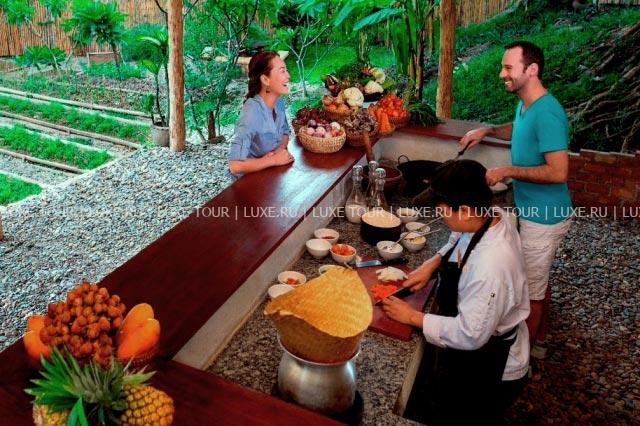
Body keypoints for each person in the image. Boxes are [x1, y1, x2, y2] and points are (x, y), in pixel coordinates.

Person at [383, 160, 530, 425]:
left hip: (489, 366)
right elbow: (459, 238)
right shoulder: (490, 215)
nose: (441, 217)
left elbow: (470, 334)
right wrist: (433, 262)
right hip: (475, 346)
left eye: (442, 211)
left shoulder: (491, 267)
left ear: (464, 210)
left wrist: (412, 317)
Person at [458, 41, 572, 355]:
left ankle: (523, 361)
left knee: (530, 294)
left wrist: (507, 170)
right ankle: (540, 338)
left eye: (508, 67)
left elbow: (558, 172)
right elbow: (519, 130)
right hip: (531, 209)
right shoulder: (527, 104)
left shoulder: (547, 113)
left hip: (544, 217)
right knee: (537, 280)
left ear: (531, 69)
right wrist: (487, 130)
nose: (501, 74)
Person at [228, 51, 294, 177]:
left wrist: (280, 150)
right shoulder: (251, 113)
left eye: (286, 70)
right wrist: (273, 160)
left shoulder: (278, 101)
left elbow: (285, 132)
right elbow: (235, 165)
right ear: (265, 79)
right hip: (249, 181)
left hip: (272, 175)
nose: (288, 76)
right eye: (282, 71)